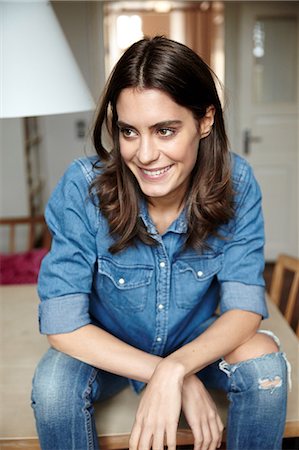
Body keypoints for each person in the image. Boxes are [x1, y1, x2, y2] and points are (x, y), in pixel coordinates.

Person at [31, 36, 288, 450]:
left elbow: (244, 307)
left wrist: (180, 368)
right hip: (109, 349)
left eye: (165, 130)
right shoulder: (82, 187)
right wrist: (166, 373)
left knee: (263, 362)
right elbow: (63, 324)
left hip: (196, 344)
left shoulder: (237, 183)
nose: (145, 154)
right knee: (53, 386)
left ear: (205, 121)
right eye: (129, 131)